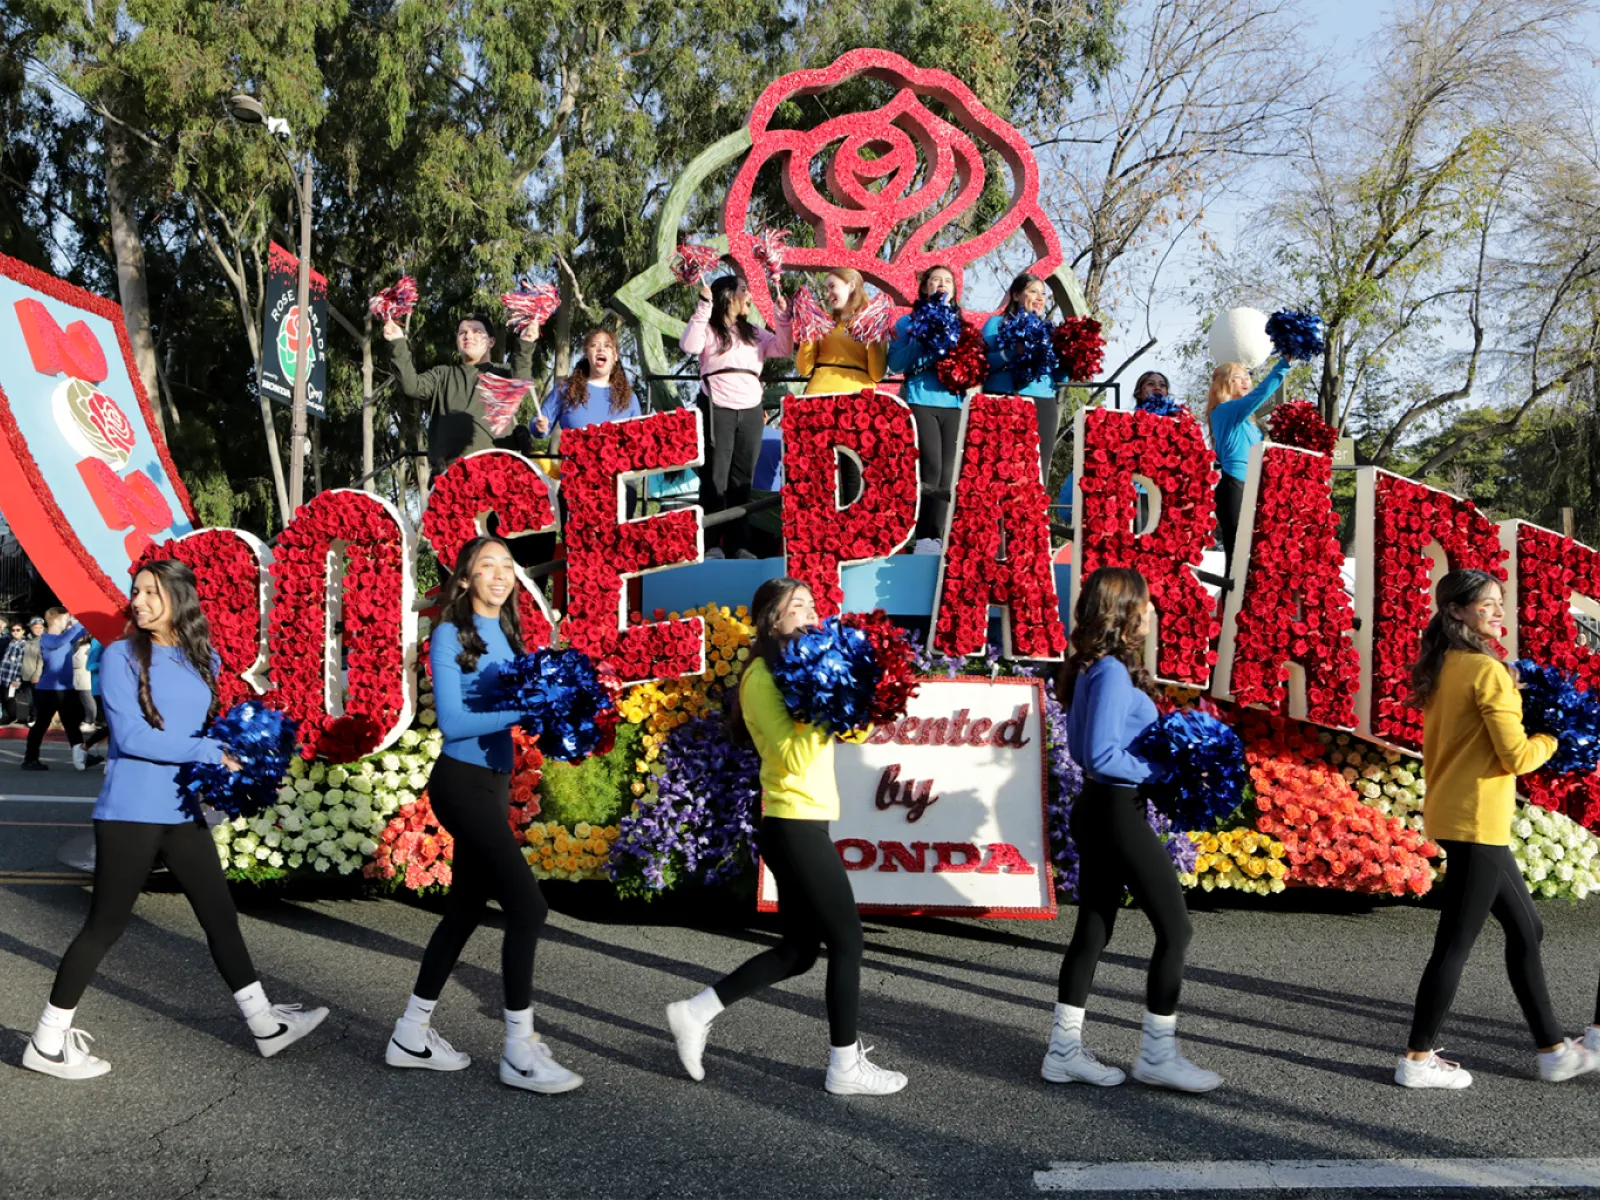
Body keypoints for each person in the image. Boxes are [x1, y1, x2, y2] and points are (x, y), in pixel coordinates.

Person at [22, 560, 328, 1080]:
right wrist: (211, 752)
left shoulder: (198, 656)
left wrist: (243, 749)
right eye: (135, 592)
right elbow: (135, 739)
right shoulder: (120, 655)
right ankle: (47, 1041)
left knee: (219, 914)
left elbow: (205, 727)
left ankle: (264, 1023)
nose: (137, 601)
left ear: (179, 597)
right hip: (131, 813)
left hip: (182, 811)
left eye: (150, 592)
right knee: (105, 925)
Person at [665, 577, 907, 1096]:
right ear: (772, 621)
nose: (810, 613)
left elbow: (855, 733)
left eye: (813, 605)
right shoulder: (761, 679)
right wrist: (822, 706)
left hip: (806, 821)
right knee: (848, 940)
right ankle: (844, 1066)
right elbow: (794, 758)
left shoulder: (803, 670)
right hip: (792, 825)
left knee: (800, 950)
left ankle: (695, 1011)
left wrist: (851, 692)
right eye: (796, 607)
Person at [386, 536, 580, 1095]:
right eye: (486, 565)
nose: (500, 574)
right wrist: (529, 706)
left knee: (465, 911)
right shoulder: (450, 633)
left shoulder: (512, 634)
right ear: (465, 579)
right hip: (461, 783)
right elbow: (454, 720)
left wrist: (566, 710)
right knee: (529, 908)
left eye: (507, 565)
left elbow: (525, 708)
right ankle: (519, 1050)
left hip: (494, 785)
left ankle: (410, 1033)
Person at [1397, 569, 1597, 1089]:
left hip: (1456, 813)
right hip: (1477, 818)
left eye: (1500, 602)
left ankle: (1553, 1049)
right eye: (1487, 603)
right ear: (1457, 611)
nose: (1498, 611)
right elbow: (1517, 756)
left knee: (1527, 929)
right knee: (1454, 945)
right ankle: (1416, 1061)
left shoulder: (1444, 664)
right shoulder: (1488, 672)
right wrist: (1555, 736)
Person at [1050, 567, 1220, 1093]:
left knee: (1094, 932)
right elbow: (1097, 754)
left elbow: (1090, 751)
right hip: (1114, 812)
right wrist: (1163, 773)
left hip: (1102, 808)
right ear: (1124, 611)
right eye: (1146, 603)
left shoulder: (1096, 668)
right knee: (1176, 929)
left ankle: (1063, 1052)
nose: (1153, 611)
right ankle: (1157, 1056)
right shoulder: (1109, 674)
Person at [680, 275, 793, 559]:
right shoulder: (708, 328)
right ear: (728, 296)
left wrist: (782, 317)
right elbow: (689, 346)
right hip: (717, 406)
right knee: (715, 478)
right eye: (745, 290)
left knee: (742, 479)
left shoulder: (753, 332)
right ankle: (710, 545)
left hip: (752, 410)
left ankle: (738, 545)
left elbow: (783, 348)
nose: (750, 296)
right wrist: (704, 305)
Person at [383, 312, 537, 476]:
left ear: (491, 342)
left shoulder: (504, 373)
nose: (468, 336)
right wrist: (397, 342)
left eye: (476, 332)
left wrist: (526, 342)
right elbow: (411, 386)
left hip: (498, 473)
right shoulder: (442, 374)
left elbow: (521, 382)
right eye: (463, 333)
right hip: (449, 474)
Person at [887, 265, 964, 554]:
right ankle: (923, 537)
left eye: (948, 280)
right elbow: (894, 364)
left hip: (954, 403)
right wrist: (921, 339)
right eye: (936, 280)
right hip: (921, 400)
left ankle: (940, 537)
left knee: (948, 474)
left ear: (955, 290)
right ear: (924, 288)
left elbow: (975, 364)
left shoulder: (961, 324)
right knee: (930, 468)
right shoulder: (908, 322)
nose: (942, 284)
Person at [795, 269, 888, 507]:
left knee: (855, 469)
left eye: (832, 286)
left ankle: (852, 531)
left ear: (850, 285)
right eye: (826, 288)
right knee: (820, 468)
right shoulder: (822, 321)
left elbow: (877, 374)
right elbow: (804, 369)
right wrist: (808, 332)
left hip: (859, 400)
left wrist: (874, 338)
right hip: (821, 398)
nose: (828, 294)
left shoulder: (872, 321)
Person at [1206, 357, 1289, 575]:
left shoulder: (1248, 422)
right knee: (1238, 562)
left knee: (1254, 560)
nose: (1246, 382)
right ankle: (1230, 608)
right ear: (1224, 383)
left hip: (1254, 488)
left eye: (1248, 378)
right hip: (1236, 487)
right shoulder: (1225, 411)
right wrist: (1283, 365)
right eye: (1239, 378)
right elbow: (1259, 395)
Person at [982, 273, 1061, 481]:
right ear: (1016, 295)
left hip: (1043, 401)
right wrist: (1010, 352)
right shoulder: (996, 324)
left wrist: (1076, 362)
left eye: (1043, 294)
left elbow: (1058, 373)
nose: (1039, 298)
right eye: (1033, 291)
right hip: (1003, 398)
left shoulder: (1051, 331)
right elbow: (981, 364)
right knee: (1000, 469)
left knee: (1037, 470)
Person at [23, 607, 87, 772]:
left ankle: (81, 756)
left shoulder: (65, 638)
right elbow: (62, 640)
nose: (69, 621)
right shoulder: (47, 639)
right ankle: (30, 759)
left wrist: (87, 620)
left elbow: (79, 632)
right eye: (66, 618)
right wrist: (78, 623)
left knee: (73, 723)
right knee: (41, 725)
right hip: (48, 691)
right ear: (57, 620)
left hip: (66, 689)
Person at [0, 620, 25, 725]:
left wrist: (17, 679)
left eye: (18, 630)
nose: (15, 632)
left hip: (12, 677)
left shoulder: (23, 645)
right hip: (4, 675)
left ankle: (13, 717)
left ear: (23, 631)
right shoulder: (11, 642)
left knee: (10, 699)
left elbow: (20, 663)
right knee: (4, 698)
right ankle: (6, 717)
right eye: (13, 630)